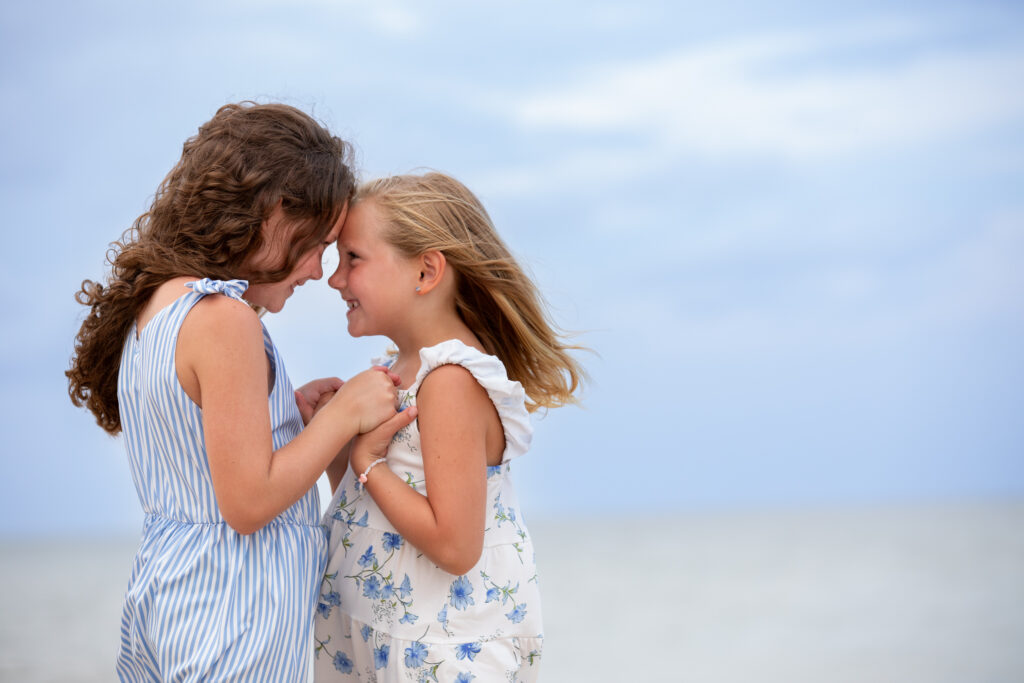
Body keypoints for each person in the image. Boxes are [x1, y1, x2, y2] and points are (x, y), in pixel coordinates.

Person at [65, 102, 415, 681]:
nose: (316, 271)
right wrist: (344, 415)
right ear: (274, 213)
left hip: (176, 597)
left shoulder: (163, 305)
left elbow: (206, 456)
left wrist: (285, 418)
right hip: (234, 613)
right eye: (317, 244)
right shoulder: (226, 318)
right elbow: (247, 503)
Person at [311, 172, 586, 681]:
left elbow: (456, 547)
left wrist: (367, 462)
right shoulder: (398, 373)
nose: (335, 278)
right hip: (380, 641)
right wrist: (338, 452)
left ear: (426, 272)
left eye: (353, 258)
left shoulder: (450, 382)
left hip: (440, 654)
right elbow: (379, 514)